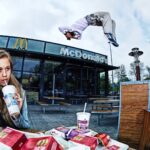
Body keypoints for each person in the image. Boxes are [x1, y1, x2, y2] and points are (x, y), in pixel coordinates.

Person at [0, 49, 30, 129]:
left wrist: (16, 115)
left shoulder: (20, 92)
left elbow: (26, 126)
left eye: (7, 69)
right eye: (0, 70)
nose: (4, 74)